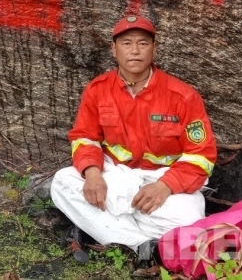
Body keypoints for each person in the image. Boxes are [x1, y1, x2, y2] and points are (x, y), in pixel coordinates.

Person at [50, 14, 217, 266]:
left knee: (189, 220)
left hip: (163, 180)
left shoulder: (183, 96)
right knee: (62, 182)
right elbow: (85, 138)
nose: (135, 50)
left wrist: (165, 186)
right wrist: (92, 174)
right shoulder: (97, 89)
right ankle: (141, 245)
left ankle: (106, 227)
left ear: (154, 49)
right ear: (114, 49)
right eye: (126, 43)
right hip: (115, 176)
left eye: (143, 43)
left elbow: (201, 156)